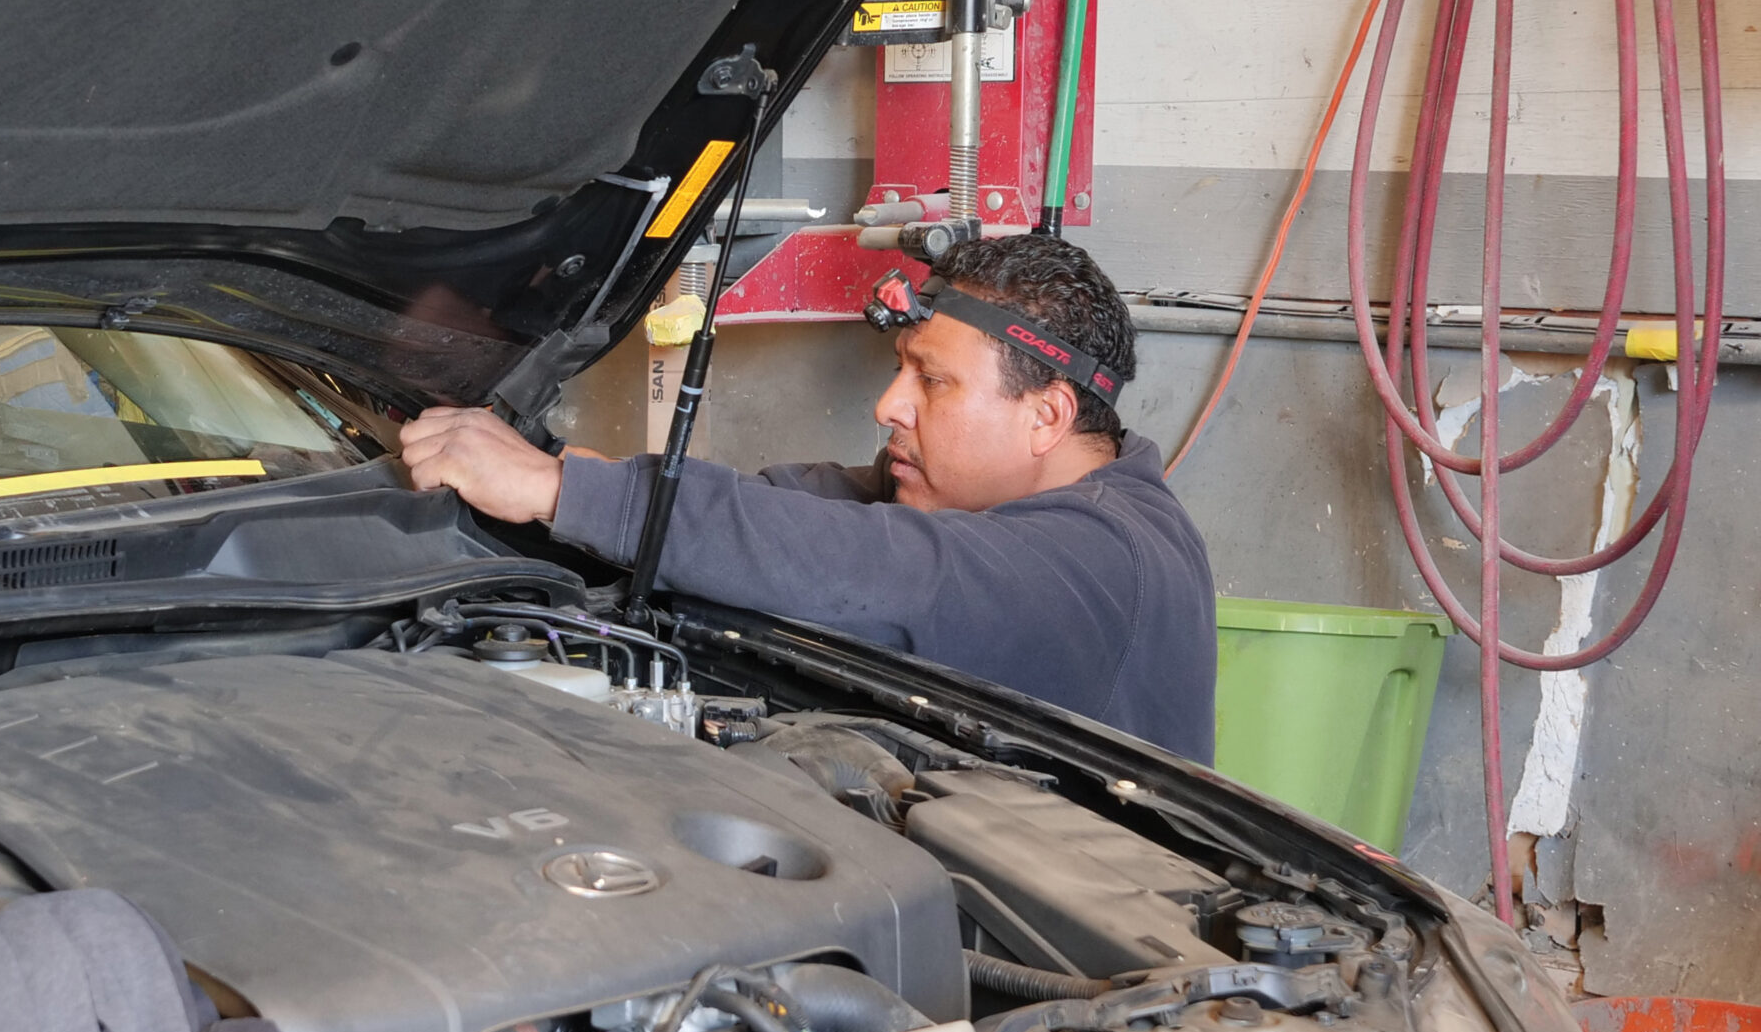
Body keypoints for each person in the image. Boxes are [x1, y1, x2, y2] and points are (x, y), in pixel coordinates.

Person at [399, 234, 1218, 761]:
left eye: (931, 381)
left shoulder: (1107, 558)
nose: (890, 405)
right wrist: (573, 476)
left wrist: (565, 490)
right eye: (902, 368)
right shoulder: (978, 498)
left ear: (1046, 416)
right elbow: (804, 504)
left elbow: (867, 565)